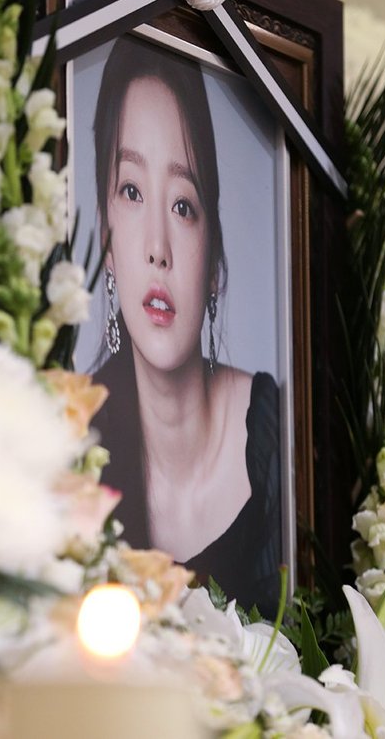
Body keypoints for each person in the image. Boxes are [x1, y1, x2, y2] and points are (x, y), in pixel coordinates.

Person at [91, 35, 281, 615]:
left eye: (182, 205)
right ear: (106, 244)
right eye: (131, 191)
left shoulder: (271, 434)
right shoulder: (77, 446)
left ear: (214, 259)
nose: (158, 248)